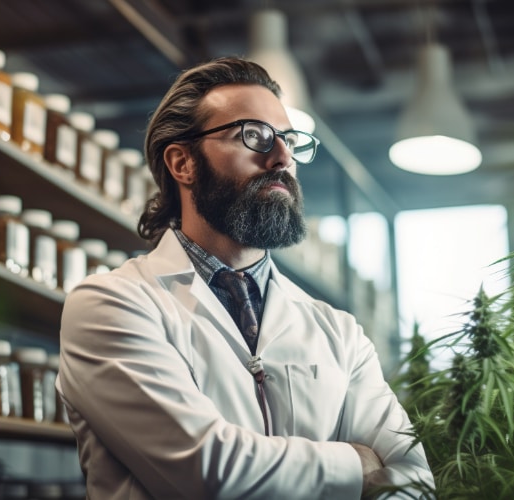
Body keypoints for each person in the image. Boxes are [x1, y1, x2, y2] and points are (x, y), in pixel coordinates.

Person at [57, 56, 433, 499]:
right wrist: (357, 465)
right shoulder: (109, 305)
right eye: (253, 136)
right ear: (182, 163)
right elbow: (208, 471)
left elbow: (415, 483)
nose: (282, 157)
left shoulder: (338, 331)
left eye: (290, 140)